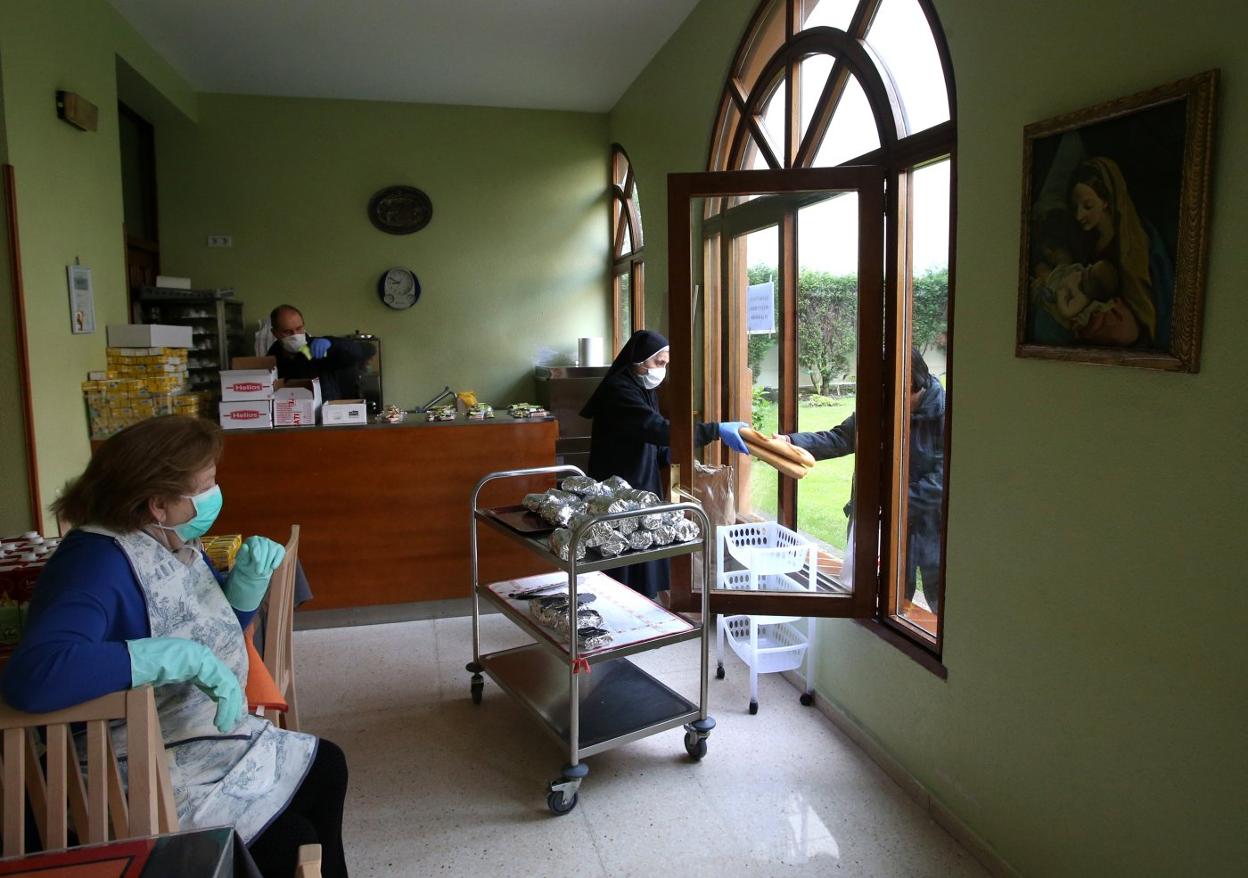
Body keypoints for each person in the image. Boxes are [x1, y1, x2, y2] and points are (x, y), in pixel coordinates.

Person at [0, 416, 348, 878]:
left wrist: (242, 591)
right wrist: (168, 657)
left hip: (182, 737)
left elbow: (201, 625)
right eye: (204, 486)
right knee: (291, 839)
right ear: (158, 503)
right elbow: (34, 677)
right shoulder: (93, 563)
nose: (214, 494)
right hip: (123, 774)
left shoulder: (169, 539)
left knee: (327, 766)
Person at [580, 329, 749, 598]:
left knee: (642, 544)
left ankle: (643, 606)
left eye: (666, 364)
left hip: (641, 477)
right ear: (640, 360)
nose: (662, 370)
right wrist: (714, 430)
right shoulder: (618, 390)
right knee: (621, 548)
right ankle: (620, 606)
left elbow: (652, 434)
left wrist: (667, 454)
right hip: (619, 482)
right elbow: (655, 427)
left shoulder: (643, 387)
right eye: (659, 363)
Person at [776, 349, 945, 612]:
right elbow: (841, 438)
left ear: (908, 382)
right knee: (885, 597)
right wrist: (791, 442)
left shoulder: (945, 413)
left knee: (940, 599)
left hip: (928, 523)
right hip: (881, 518)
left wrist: (888, 504)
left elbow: (940, 481)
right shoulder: (881, 404)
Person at [1066, 157, 1175, 348]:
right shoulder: (1087, 242)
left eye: (1087, 206)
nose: (1079, 216)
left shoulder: (1134, 241)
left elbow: (1142, 298)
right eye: (1075, 207)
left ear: (1106, 200)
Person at [267, 304, 374, 401]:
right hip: (289, 415)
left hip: (326, 415)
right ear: (275, 333)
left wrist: (331, 342)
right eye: (287, 332)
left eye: (299, 329)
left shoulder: (319, 347)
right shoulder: (272, 356)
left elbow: (361, 351)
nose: (295, 335)